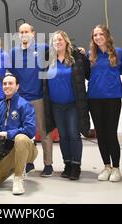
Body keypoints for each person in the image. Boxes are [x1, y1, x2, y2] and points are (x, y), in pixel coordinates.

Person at [43, 31, 90, 180]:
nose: (58, 42)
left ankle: (76, 166)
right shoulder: (48, 60)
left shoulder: (76, 57)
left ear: (66, 41)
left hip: (73, 105)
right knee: (63, 136)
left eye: (60, 39)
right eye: (55, 40)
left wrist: (83, 53)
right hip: (56, 105)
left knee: (73, 135)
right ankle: (67, 164)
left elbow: (88, 72)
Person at [9, 23, 52, 176]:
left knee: (44, 132)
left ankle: (48, 164)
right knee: (25, 134)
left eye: (26, 31)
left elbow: (61, 50)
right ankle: (28, 162)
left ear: (33, 33)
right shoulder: (14, 53)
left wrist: (76, 50)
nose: (24, 34)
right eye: (21, 32)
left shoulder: (43, 48)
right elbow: (11, 73)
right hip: (22, 100)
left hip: (38, 97)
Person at [88, 25, 122, 182]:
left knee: (111, 133)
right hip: (94, 98)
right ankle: (106, 166)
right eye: (95, 35)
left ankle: (116, 168)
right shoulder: (91, 55)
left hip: (112, 98)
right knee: (101, 134)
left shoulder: (117, 53)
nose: (98, 37)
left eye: (100, 34)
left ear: (107, 35)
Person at [0, 73, 37, 195]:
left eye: (10, 83)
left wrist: (8, 134)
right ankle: (17, 165)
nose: (7, 86)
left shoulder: (25, 104)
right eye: (4, 84)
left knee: (20, 139)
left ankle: (18, 177)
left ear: (17, 86)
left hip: (27, 149)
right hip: (8, 151)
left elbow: (30, 130)